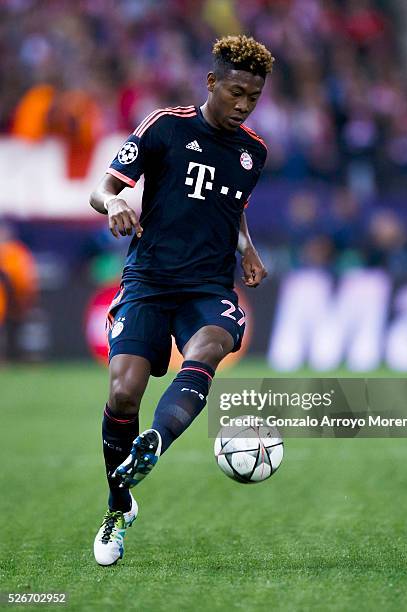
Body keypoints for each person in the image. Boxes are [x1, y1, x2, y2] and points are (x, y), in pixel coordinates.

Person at [89, 35, 274, 566]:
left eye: (253, 98)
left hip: (208, 288)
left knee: (211, 344)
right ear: (211, 82)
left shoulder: (253, 151)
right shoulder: (165, 126)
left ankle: (155, 444)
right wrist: (115, 204)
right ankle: (118, 508)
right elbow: (102, 188)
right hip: (148, 280)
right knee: (124, 393)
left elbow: (231, 205)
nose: (243, 105)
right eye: (236, 92)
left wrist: (248, 250)